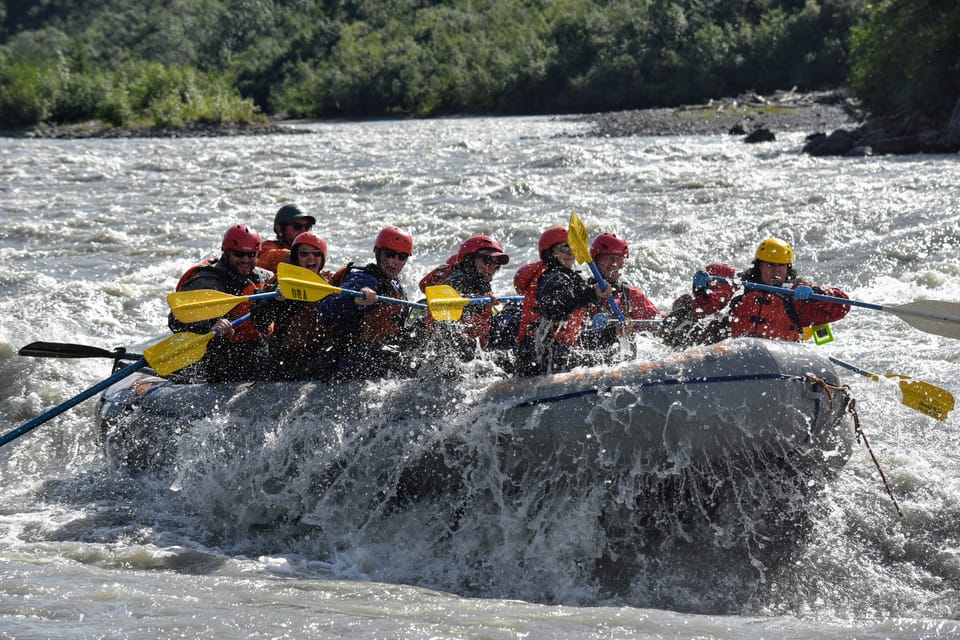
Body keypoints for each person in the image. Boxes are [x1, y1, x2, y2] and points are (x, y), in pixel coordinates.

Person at [661, 237, 851, 348]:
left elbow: (842, 306)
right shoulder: (739, 287)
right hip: (735, 352)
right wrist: (701, 291)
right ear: (758, 266)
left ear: (788, 268)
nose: (776, 272)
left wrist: (817, 293)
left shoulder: (797, 295)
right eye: (769, 265)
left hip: (782, 358)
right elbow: (706, 308)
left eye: (781, 267)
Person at [168, 223, 274, 382]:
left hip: (257, 350)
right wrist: (209, 327)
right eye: (239, 254)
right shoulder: (206, 282)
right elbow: (175, 321)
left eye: (251, 255)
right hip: (218, 355)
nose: (246, 260)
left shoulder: (266, 278)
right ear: (226, 252)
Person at [316, 226, 417, 379]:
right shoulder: (363, 278)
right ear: (377, 252)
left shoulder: (395, 286)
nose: (395, 262)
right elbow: (324, 310)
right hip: (350, 361)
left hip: (380, 355)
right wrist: (354, 300)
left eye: (402, 257)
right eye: (390, 254)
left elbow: (396, 331)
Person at [514, 225, 613, 377]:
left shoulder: (566, 277)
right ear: (550, 253)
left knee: (609, 347)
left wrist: (611, 333)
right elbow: (555, 308)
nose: (570, 252)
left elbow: (574, 329)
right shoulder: (551, 278)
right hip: (540, 357)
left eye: (573, 247)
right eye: (564, 248)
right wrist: (591, 292)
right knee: (608, 359)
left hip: (554, 352)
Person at [251, 231, 332, 380]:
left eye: (316, 253)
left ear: (322, 259)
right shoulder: (282, 283)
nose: (311, 258)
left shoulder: (327, 286)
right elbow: (260, 322)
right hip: (285, 359)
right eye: (304, 253)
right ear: (296, 257)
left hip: (316, 355)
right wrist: (275, 301)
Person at [418, 235, 510, 354]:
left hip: (468, 344)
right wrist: (483, 300)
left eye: (496, 265)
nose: (492, 269)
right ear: (470, 259)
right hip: (454, 347)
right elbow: (462, 300)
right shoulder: (459, 278)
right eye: (487, 261)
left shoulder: (479, 280)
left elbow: (424, 286)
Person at [583, 232, 662, 337]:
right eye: (609, 257)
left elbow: (659, 324)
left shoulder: (632, 295)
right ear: (596, 259)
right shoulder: (582, 294)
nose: (614, 263)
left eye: (619, 258)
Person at [257, 203, 316, 273]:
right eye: (297, 226)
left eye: (307, 227)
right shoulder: (268, 247)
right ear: (279, 229)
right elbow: (272, 256)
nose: (304, 231)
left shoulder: (310, 255)